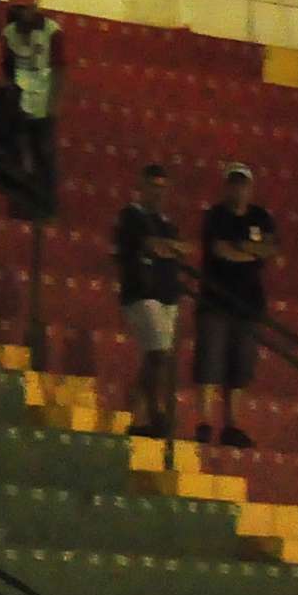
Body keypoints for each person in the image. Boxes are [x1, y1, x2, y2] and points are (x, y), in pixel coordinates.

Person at [194, 164, 277, 449]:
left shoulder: (260, 216)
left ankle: (233, 423)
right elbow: (220, 251)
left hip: (248, 303)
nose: (238, 190)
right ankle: (205, 421)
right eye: (234, 184)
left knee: (241, 365)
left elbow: (268, 248)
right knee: (210, 362)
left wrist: (240, 250)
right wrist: (249, 252)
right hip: (215, 300)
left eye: (242, 185)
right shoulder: (216, 216)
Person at [114, 162, 182, 440]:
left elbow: (177, 249)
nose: (158, 194)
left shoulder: (167, 224)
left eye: (162, 189)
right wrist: (166, 248)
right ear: (142, 187)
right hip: (142, 293)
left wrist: (167, 248)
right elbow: (151, 245)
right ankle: (156, 412)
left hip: (166, 294)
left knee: (154, 356)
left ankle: (139, 413)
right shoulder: (131, 215)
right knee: (158, 354)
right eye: (153, 187)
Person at [0, 0, 63, 219]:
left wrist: (52, 106)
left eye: (24, 8)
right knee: (20, 155)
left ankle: (47, 209)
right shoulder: (9, 33)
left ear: (34, 7)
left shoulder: (52, 31)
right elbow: (7, 68)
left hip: (43, 102)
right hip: (20, 101)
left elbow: (59, 70)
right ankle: (22, 206)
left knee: (44, 157)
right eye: (18, 9)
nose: (21, 13)